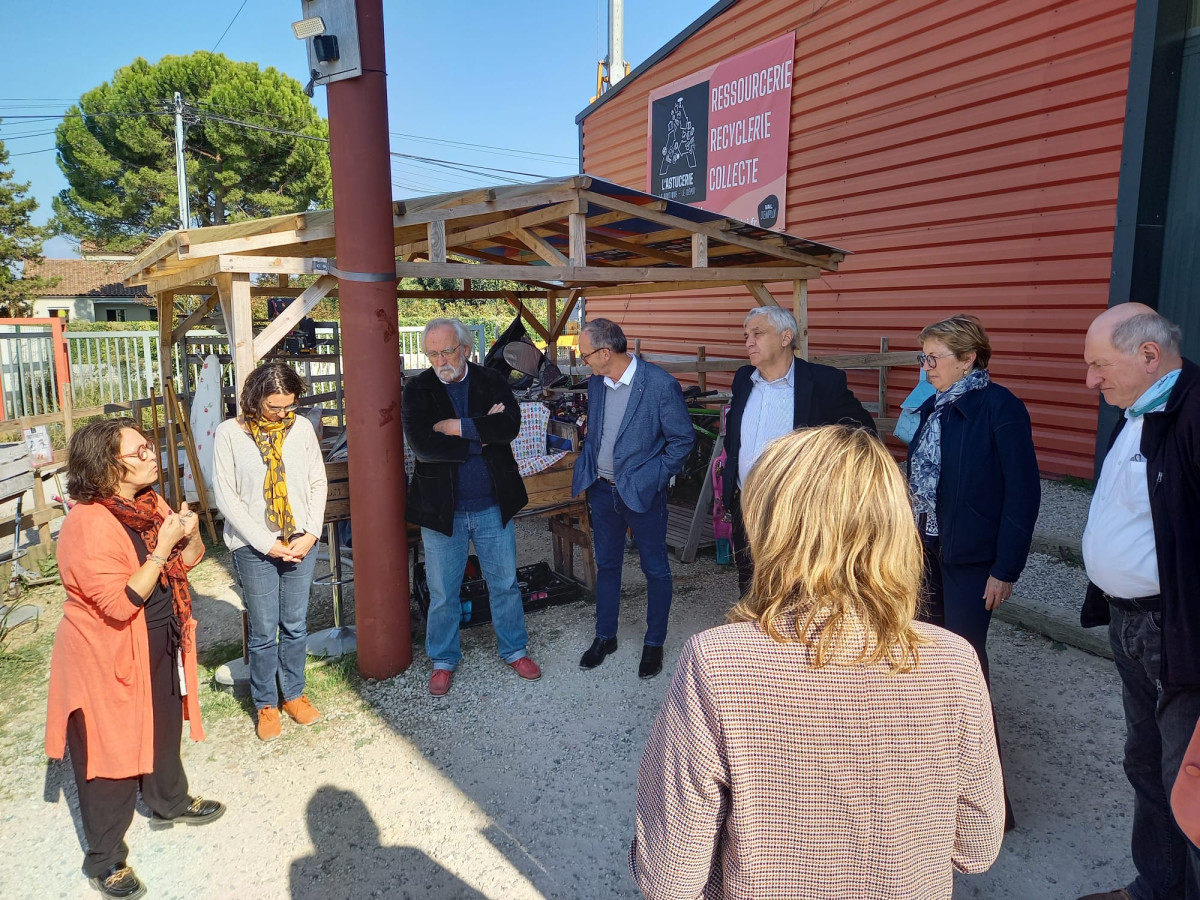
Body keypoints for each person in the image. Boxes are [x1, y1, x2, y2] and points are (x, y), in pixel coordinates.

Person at [630, 426, 1005, 899]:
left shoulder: (719, 662)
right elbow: (976, 846)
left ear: (775, 531)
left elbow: (670, 878)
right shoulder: (955, 662)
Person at [45, 418, 225, 900]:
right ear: (107, 465)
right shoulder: (86, 523)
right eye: (139, 450)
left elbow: (188, 561)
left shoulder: (148, 503)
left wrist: (185, 538)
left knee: (163, 726)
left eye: (149, 446)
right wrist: (163, 547)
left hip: (157, 635)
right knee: (108, 755)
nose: (151, 456)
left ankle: (169, 800)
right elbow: (120, 603)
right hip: (104, 652)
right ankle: (105, 859)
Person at [1077, 303, 1200, 900]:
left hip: (1178, 631)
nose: (1091, 380)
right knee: (1146, 762)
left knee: (1190, 781)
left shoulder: (1195, 411)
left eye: (1100, 365)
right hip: (1130, 623)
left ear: (1148, 356)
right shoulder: (1138, 410)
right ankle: (1157, 884)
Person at [907, 314, 1039, 831]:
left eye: (933, 358)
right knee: (921, 668)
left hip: (971, 562)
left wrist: (1006, 568)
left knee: (965, 674)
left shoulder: (1000, 407)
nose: (926, 367)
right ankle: (930, 783)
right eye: (924, 357)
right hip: (925, 555)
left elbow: (1023, 494)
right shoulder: (933, 404)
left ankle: (988, 804)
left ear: (969, 358)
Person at [403, 317, 541, 696]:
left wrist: (455, 426)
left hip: (492, 504)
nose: (440, 359)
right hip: (442, 509)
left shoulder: (491, 380)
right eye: (432, 353)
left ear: (465, 349)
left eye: (447, 350)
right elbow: (424, 447)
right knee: (444, 591)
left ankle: (514, 650)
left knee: (505, 583)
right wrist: (480, 434)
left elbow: (509, 427)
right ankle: (443, 659)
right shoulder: (418, 389)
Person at [570, 318, 694, 679]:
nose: (583, 362)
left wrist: (654, 476)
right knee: (606, 565)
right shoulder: (597, 382)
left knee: (655, 568)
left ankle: (654, 642)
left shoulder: (659, 385)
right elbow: (599, 433)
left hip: (642, 493)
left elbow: (682, 440)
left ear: (605, 352)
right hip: (602, 489)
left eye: (586, 354)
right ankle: (605, 636)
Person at [722, 305, 876, 593]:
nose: (748, 343)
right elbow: (735, 437)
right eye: (746, 336)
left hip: (798, 505)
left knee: (798, 582)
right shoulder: (744, 379)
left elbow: (862, 435)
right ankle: (755, 635)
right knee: (750, 580)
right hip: (747, 501)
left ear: (785, 338)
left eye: (757, 333)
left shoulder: (822, 382)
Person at [213, 363, 328, 742]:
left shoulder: (303, 429)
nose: (282, 414)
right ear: (254, 397)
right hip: (254, 545)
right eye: (274, 406)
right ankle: (265, 702)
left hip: (299, 541)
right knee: (263, 630)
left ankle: (293, 694)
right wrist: (266, 543)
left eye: (288, 406)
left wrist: (311, 533)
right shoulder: (230, 433)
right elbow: (226, 496)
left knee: (295, 624)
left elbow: (316, 481)